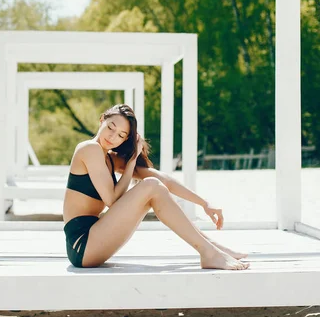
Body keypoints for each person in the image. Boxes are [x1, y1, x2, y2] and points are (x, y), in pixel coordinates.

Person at [63, 104, 249, 271]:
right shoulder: (89, 148)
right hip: (82, 245)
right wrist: (131, 162)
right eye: (111, 127)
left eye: (121, 135)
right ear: (102, 119)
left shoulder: (109, 158)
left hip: (94, 237)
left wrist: (204, 203)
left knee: (155, 186)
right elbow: (111, 200)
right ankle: (209, 252)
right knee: (151, 187)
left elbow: (161, 179)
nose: (113, 137)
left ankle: (212, 248)